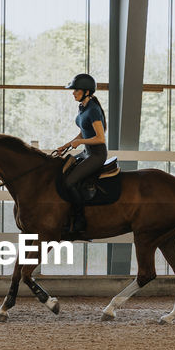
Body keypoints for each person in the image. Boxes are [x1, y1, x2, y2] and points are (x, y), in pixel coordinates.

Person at [53, 73, 107, 236]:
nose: (73, 92)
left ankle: (80, 220)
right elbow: (84, 132)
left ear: (86, 91)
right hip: (86, 153)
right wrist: (68, 144)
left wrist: (80, 143)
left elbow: (100, 138)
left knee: (69, 182)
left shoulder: (93, 110)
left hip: (96, 156)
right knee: (61, 170)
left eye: (76, 90)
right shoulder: (83, 107)